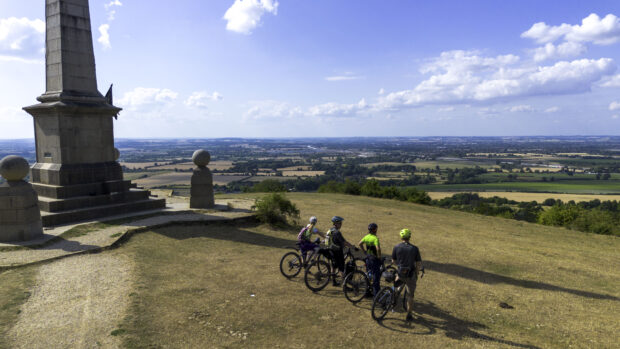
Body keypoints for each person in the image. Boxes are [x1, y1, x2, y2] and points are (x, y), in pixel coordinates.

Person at [391, 228, 423, 322]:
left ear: (401, 237)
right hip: (411, 275)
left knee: (397, 289)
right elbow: (418, 263)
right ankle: (409, 314)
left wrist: (399, 267)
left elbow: (393, 261)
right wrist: (417, 272)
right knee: (410, 296)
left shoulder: (396, 247)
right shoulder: (414, 248)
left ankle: (393, 303)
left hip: (400, 273)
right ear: (409, 237)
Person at [326, 216, 356, 285]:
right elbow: (344, 242)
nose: (341, 224)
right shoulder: (337, 232)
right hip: (337, 252)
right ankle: (344, 285)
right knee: (341, 268)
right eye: (340, 223)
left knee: (333, 266)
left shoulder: (330, 230)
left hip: (331, 250)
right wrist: (352, 246)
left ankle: (334, 281)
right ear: (336, 223)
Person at [358, 223, 382, 296]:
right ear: (375, 230)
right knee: (376, 277)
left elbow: (360, 244)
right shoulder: (375, 238)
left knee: (369, 275)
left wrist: (364, 251)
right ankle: (376, 295)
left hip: (368, 258)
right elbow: (378, 248)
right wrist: (379, 256)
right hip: (374, 259)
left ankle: (367, 291)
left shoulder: (366, 236)